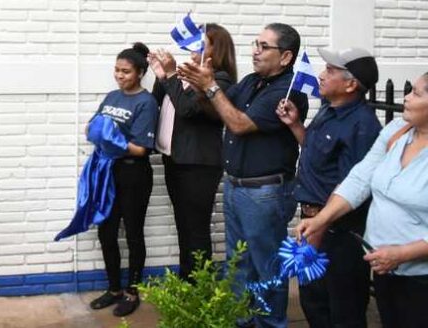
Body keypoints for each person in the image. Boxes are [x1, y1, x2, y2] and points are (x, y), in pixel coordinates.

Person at [178, 23, 308, 328]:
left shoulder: (288, 92)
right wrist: (200, 81)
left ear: (286, 57)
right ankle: (240, 320)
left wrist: (210, 87)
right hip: (235, 186)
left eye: (264, 46)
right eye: (255, 43)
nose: (255, 51)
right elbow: (221, 103)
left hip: (265, 193)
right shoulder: (251, 81)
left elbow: (238, 123)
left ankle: (271, 323)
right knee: (238, 264)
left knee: (267, 267)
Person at [297, 71, 428, 328]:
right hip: (384, 267)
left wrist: (403, 253)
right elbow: (360, 179)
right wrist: (320, 220)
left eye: (417, 93)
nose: (407, 98)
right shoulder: (396, 132)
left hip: (420, 276)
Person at [276, 48, 381, 328]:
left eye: (331, 71)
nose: (322, 76)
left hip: (337, 231)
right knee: (314, 301)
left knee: (342, 307)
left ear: (351, 84)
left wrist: (319, 228)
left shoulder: (363, 125)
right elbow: (315, 151)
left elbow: (351, 186)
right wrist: (296, 125)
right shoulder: (328, 110)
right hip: (313, 222)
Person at [148, 23, 237, 279]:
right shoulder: (186, 75)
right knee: (183, 227)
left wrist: (172, 76)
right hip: (175, 161)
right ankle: (187, 280)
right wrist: (161, 75)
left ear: (215, 49)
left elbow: (188, 109)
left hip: (198, 166)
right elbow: (160, 101)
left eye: (202, 41)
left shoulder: (219, 80)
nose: (193, 45)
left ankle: (199, 287)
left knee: (196, 229)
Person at [88, 43, 158, 318]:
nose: (119, 75)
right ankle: (114, 288)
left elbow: (141, 148)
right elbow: (92, 128)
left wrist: (109, 137)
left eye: (126, 71)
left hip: (133, 174)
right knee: (105, 231)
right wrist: (101, 133)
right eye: (116, 70)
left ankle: (132, 291)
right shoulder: (111, 97)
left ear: (140, 72)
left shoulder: (146, 103)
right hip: (107, 172)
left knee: (133, 233)